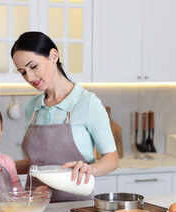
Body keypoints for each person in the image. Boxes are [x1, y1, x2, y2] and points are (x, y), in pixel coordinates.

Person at [11, 31, 119, 202]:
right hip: (35, 206)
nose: (29, 77)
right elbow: (37, 164)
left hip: (76, 208)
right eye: (22, 72)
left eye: (33, 66)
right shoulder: (32, 107)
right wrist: (0, 166)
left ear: (53, 56)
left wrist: (91, 169)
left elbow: (112, 159)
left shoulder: (87, 103)